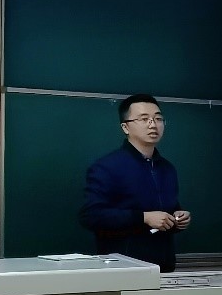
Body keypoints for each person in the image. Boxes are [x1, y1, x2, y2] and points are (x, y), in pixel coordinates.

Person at [79, 94, 190, 272]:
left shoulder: (167, 168)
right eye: (144, 119)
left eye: (158, 119)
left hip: (163, 268)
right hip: (124, 270)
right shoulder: (107, 166)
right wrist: (144, 218)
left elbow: (167, 209)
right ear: (125, 127)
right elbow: (91, 216)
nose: (153, 124)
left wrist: (178, 217)